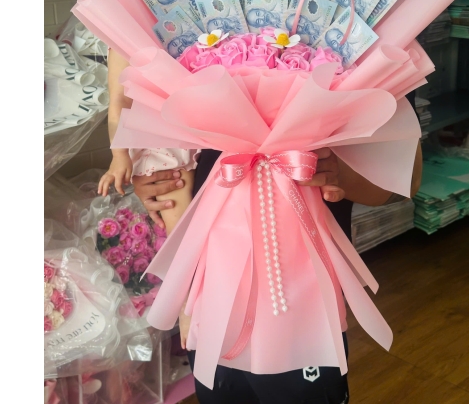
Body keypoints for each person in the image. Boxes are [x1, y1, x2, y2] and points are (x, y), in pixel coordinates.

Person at [132, 96, 422, 404]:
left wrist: (338, 171)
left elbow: (406, 178)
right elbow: (168, 158)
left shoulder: (353, 66)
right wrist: (155, 171)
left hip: (304, 298)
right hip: (213, 293)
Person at [98, 50, 199, 237]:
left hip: (205, 121)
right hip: (163, 139)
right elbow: (120, 99)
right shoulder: (122, 41)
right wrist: (119, 154)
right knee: (181, 223)